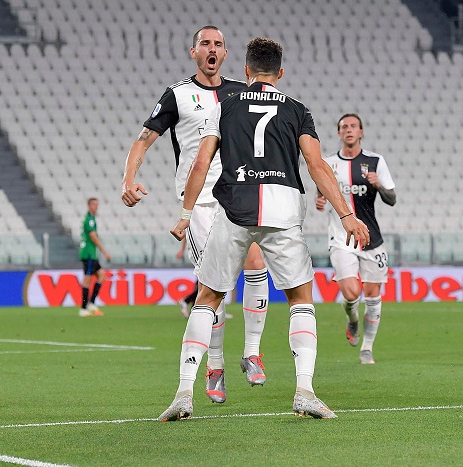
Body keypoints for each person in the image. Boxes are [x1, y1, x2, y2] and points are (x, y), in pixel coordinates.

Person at [158, 37, 370, 421]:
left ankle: (184, 393)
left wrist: (187, 213)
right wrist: (346, 215)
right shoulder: (297, 109)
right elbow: (318, 166)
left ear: (245, 71)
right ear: (281, 73)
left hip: (235, 207)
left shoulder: (224, 106)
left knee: (206, 298)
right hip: (283, 211)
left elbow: (201, 163)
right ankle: (304, 389)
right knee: (301, 300)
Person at [122, 25, 269, 403]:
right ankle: (214, 366)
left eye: (219, 44)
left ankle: (252, 352)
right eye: (205, 43)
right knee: (213, 289)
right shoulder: (178, 95)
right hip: (200, 200)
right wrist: (129, 178)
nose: (212, 49)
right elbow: (143, 139)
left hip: (238, 193)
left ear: (226, 53)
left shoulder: (241, 91)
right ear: (194, 52)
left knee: (256, 266)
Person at [316, 113, 396, 364]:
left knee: (373, 298)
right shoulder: (327, 163)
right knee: (351, 293)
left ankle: (367, 349)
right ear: (339, 133)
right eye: (344, 127)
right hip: (341, 238)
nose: (349, 130)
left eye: (353, 126)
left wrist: (379, 185)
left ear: (361, 132)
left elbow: (392, 199)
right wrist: (320, 200)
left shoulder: (375, 161)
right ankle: (352, 320)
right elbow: (321, 192)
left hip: (372, 239)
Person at [79, 197, 111, 317]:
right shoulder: (89, 220)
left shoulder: (91, 218)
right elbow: (93, 236)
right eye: (93, 205)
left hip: (92, 254)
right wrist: (104, 251)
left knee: (101, 275)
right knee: (87, 280)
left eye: (97, 205)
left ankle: (91, 303)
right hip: (88, 254)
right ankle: (83, 309)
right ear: (88, 205)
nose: (96, 207)